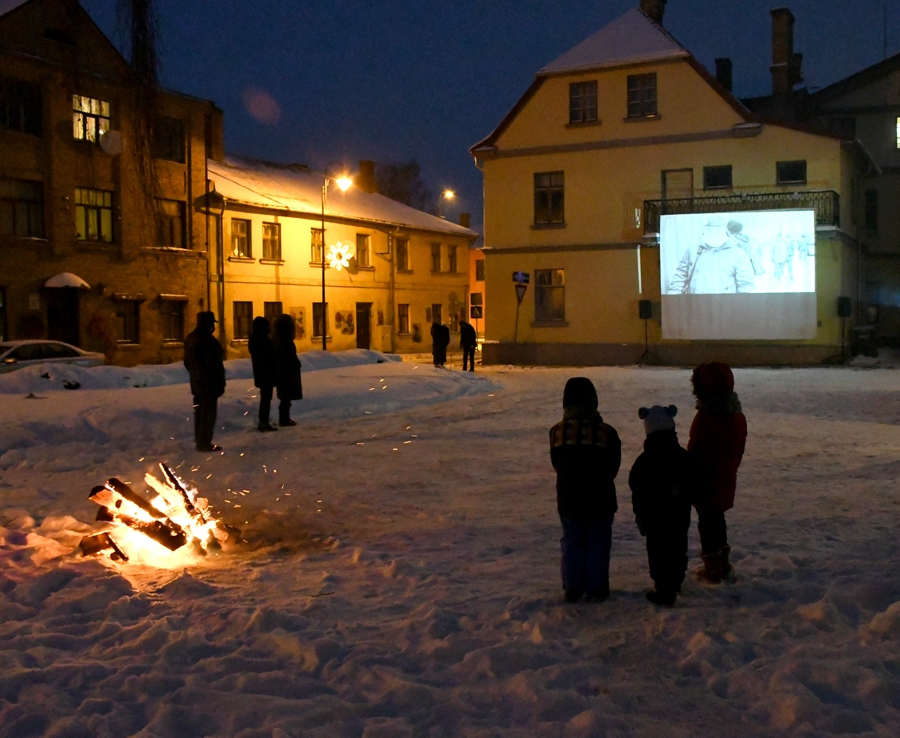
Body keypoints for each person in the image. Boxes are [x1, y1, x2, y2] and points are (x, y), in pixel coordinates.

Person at [549, 377, 621, 603]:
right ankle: (596, 587)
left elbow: (557, 463)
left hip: (569, 499)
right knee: (598, 543)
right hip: (601, 499)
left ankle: (572, 587)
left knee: (572, 542)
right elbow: (613, 466)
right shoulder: (607, 432)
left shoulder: (557, 432)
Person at [629, 405, 697, 607]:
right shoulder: (683, 457)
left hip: (654, 518)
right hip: (679, 514)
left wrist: (640, 514)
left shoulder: (644, 461)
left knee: (658, 550)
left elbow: (637, 488)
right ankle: (674, 583)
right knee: (678, 547)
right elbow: (694, 481)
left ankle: (663, 588)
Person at [688, 362, 747, 584]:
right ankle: (722, 564)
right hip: (726, 476)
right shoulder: (736, 416)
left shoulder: (707, 417)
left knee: (708, 522)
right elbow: (738, 448)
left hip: (705, 479)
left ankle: (713, 568)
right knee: (717, 519)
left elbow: (696, 449)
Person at [668, 214, 756, 294]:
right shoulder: (692, 251)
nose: (714, 233)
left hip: (725, 307)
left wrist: (742, 309)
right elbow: (679, 279)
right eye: (710, 229)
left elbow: (746, 288)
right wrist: (672, 303)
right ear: (704, 230)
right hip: (695, 305)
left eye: (718, 229)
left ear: (725, 232)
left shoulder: (738, 254)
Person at [183, 311, 226, 452]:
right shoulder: (208, 341)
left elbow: (187, 362)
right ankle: (204, 442)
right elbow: (214, 365)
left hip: (196, 382)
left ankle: (200, 440)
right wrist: (219, 382)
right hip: (209, 383)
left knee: (199, 412)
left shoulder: (190, 338)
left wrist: (196, 374)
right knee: (208, 413)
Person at [248, 316, 278, 432]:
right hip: (265, 372)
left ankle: (264, 421)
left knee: (266, 398)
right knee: (266, 398)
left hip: (263, 372)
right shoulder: (261, 340)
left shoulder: (257, 338)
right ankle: (263, 422)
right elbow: (267, 354)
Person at [273, 313, 303, 427]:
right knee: (286, 396)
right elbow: (289, 355)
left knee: (285, 396)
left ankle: (285, 417)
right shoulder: (285, 340)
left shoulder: (278, 338)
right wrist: (295, 364)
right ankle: (284, 418)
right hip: (287, 371)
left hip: (283, 370)